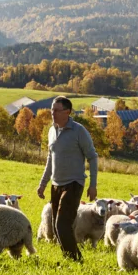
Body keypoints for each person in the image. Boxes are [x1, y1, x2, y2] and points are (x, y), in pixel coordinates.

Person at [36, 96, 98, 262]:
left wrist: (93, 185)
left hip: (73, 184)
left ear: (67, 112)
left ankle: (76, 260)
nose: (52, 113)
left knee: (62, 225)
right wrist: (43, 183)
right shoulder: (51, 131)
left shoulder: (79, 131)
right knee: (57, 228)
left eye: (56, 110)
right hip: (56, 184)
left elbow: (92, 157)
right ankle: (71, 259)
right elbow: (50, 158)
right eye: (52, 109)